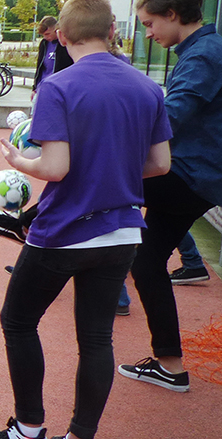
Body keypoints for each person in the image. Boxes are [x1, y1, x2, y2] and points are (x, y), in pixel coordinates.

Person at [0, 0, 172, 439]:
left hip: (64, 232)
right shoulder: (148, 88)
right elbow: (161, 164)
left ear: (61, 36)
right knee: (97, 338)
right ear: (113, 32)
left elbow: (55, 167)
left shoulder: (59, 86)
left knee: (18, 321)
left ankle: (29, 434)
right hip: (122, 231)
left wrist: (18, 164)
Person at [118, 0, 222, 392]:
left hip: (188, 176)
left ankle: (30, 226)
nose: (146, 33)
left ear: (173, 15)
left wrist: (109, 139)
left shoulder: (205, 56)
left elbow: (169, 116)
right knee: (146, 262)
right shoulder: (201, 52)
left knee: (97, 179)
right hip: (193, 175)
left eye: (149, 24)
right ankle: (171, 366)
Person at [33, 16, 74, 99]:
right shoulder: (44, 44)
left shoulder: (64, 45)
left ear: (56, 30)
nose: (46, 37)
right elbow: (40, 67)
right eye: (43, 35)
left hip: (59, 88)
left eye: (48, 34)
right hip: (43, 86)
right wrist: (34, 88)